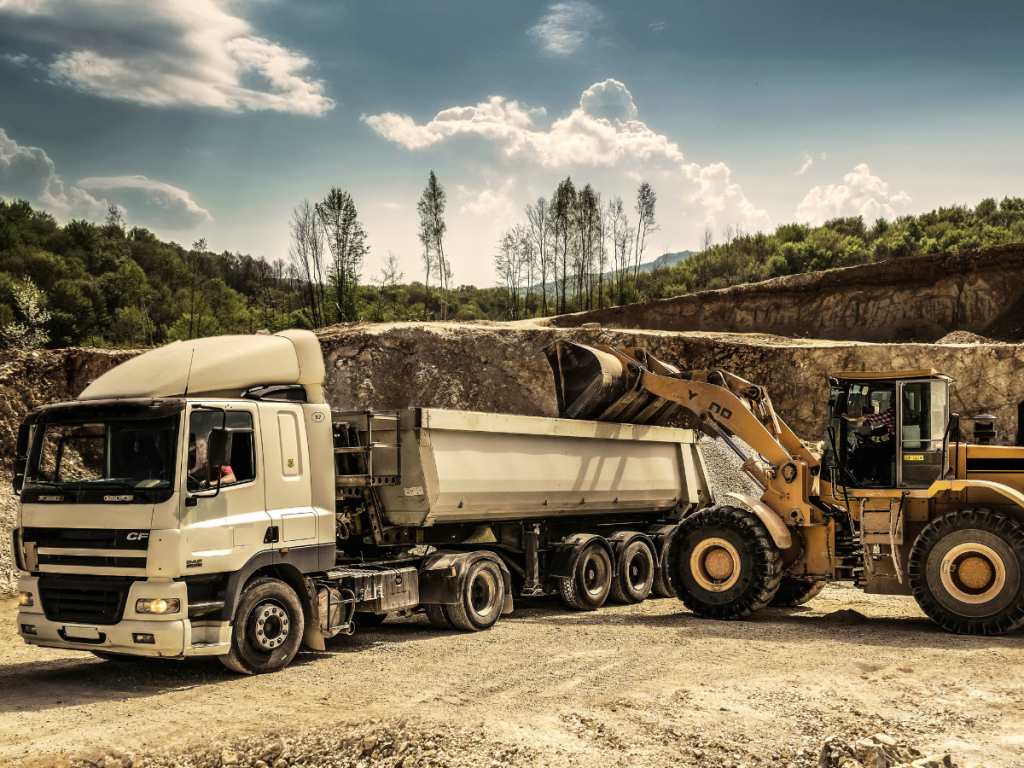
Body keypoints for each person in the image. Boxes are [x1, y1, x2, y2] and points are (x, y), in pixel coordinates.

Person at [841, 406, 895, 484]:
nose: (890, 400)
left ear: (896, 399)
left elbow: (873, 418)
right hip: (900, 445)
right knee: (869, 447)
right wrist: (871, 433)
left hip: (893, 446)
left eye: (892, 397)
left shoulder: (892, 412)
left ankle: (856, 479)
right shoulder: (910, 413)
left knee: (865, 449)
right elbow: (885, 429)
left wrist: (851, 418)